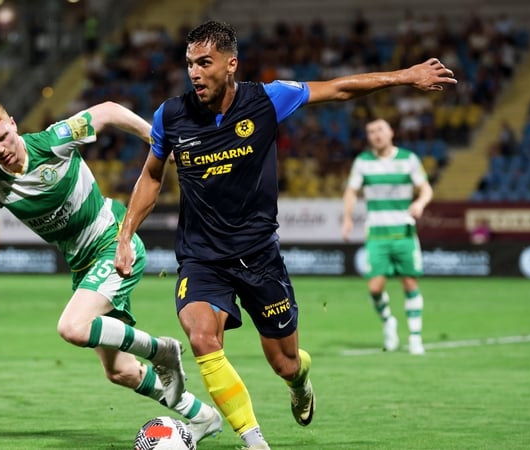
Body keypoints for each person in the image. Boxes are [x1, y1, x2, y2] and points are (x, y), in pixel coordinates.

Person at [114, 20, 455, 450]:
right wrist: (126, 235)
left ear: (231, 63)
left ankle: (300, 384)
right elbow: (150, 176)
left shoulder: (268, 99)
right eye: (189, 64)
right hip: (202, 259)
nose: (194, 73)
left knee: (286, 362)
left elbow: (339, 89)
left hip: (259, 258)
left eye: (205, 62)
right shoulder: (171, 115)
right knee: (201, 337)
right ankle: (255, 441)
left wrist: (404, 76)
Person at [0, 99, 222, 442]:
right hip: (83, 267)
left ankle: (162, 350)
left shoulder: (54, 140)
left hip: (114, 244)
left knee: (73, 327)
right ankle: (202, 417)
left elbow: (109, 111)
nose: (1, 149)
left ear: (13, 123)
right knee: (119, 371)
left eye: (3, 137)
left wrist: (157, 142)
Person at [342, 118, 433, 355]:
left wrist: (420, 203)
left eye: (380, 129)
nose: (376, 135)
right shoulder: (363, 162)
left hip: (404, 232)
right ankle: (389, 322)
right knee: (374, 288)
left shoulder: (408, 159)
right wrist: (347, 218)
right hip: (377, 235)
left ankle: (415, 338)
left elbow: (426, 188)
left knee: (410, 282)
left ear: (391, 132)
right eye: (371, 131)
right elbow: (351, 191)